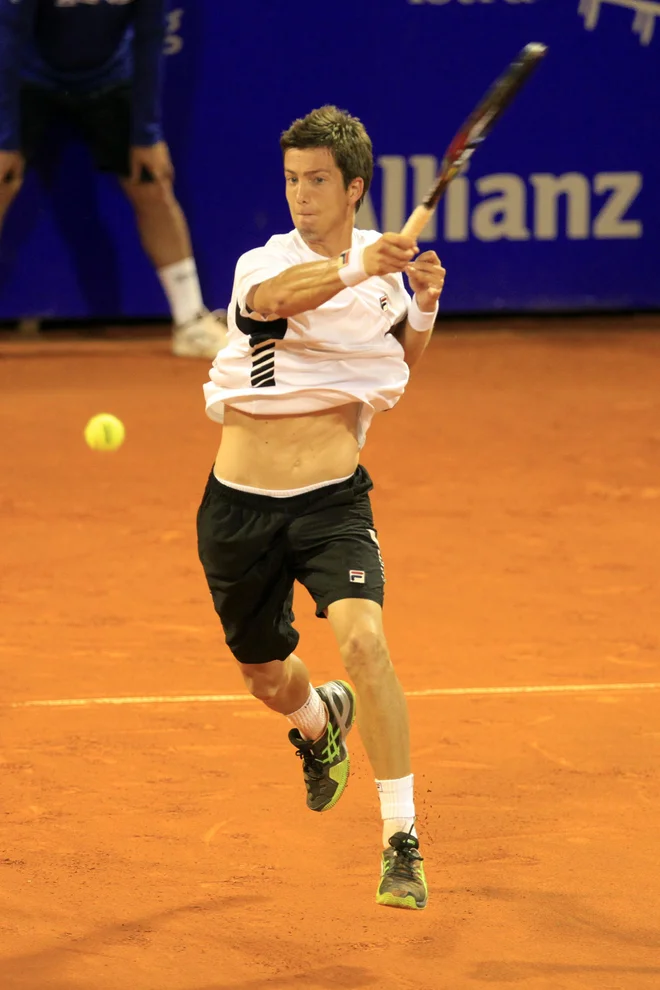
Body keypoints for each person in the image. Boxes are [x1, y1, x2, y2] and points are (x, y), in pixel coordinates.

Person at [197, 105, 445, 909]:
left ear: (354, 188)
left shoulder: (380, 291)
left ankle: (401, 838)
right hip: (238, 508)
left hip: (333, 501)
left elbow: (392, 361)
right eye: (292, 181)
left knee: (364, 641)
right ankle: (316, 723)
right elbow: (273, 300)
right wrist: (362, 265)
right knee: (264, 674)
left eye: (317, 183)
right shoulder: (261, 263)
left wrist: (424, 305)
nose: (301, 197)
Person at [0, 0, 226, 360]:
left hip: (110, 81)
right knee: (0, 179)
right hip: (28, 79)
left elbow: (150, 38)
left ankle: (191, 322)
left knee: (151, 182)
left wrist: (147, 134)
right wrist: (5, 138)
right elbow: (7, 36)